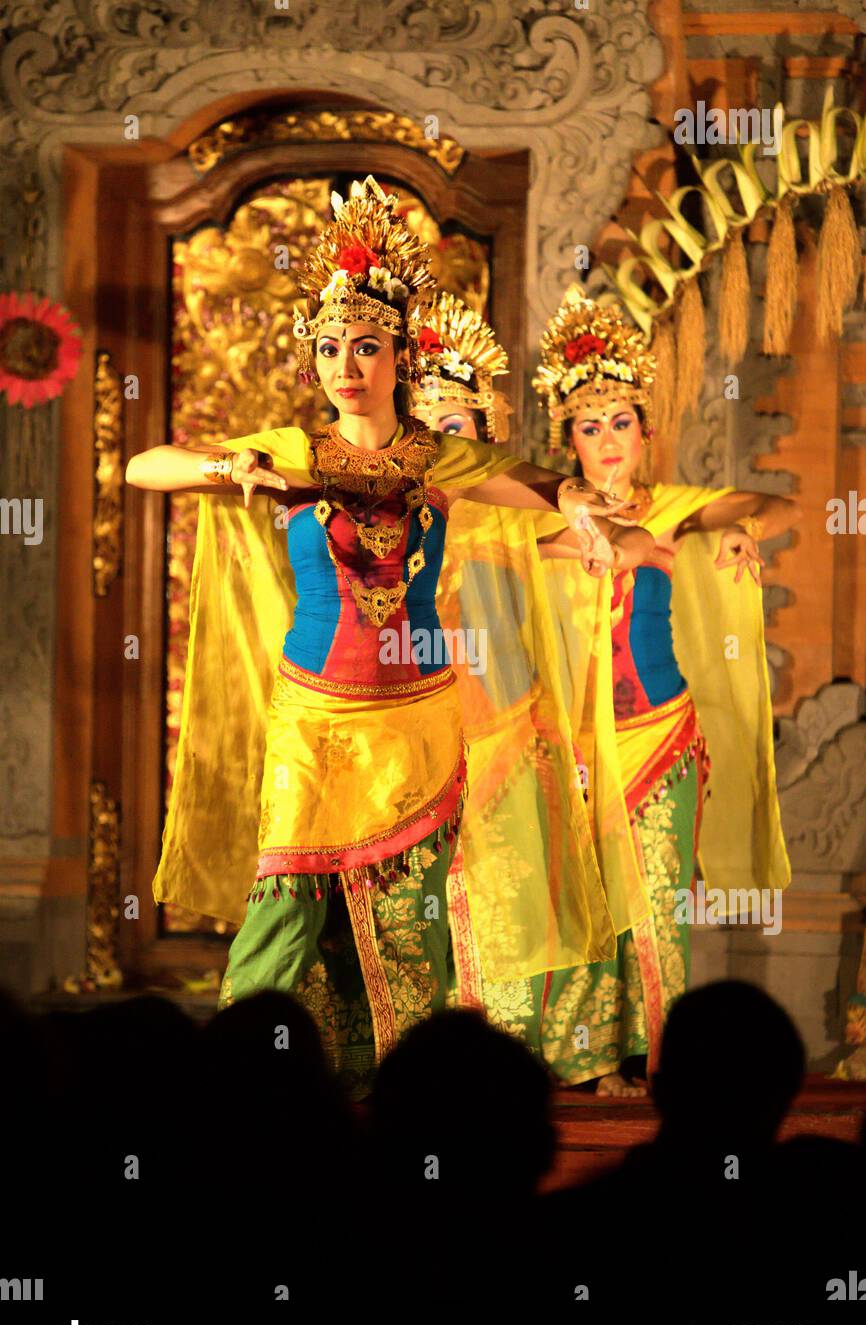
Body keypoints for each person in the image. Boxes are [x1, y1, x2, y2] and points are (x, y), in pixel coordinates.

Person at [126, 178, 634, 1098]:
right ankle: (236, 1095)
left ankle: (401, 1106)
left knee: (407, 927)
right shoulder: (288, 449)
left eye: (364, 346)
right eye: (327, 348)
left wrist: (586, 512)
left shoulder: (442, 460)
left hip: (419, 720)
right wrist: (223, 463)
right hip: (313, 721)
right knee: (283, 909)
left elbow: (541, 482)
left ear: (401, 352)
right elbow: (141, 465)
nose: (343, 365)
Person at [531, 283, 798, 1094]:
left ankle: (655, 1069)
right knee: (581, 906)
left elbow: (778, 502)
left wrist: (733, 531)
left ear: (647, 434)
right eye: (589, 426)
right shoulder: (539, 520)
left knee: (652, 905)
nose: (608, 441)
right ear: (568, 440)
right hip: (568, 745)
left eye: (622, 424)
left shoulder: (675, 513)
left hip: (660, 735)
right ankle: (577, 1066)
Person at [408, 289, 657, 1070]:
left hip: (512, 728)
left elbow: (617, 531)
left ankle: (529, 1061)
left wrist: (618, 537)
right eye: (426, 430)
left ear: (484, 433)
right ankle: (426, 1059)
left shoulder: (510, 508)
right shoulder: (391, 508)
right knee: (427, 907)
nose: (440, 445)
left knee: (524, 892)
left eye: (455, 428)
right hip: (415, 729)